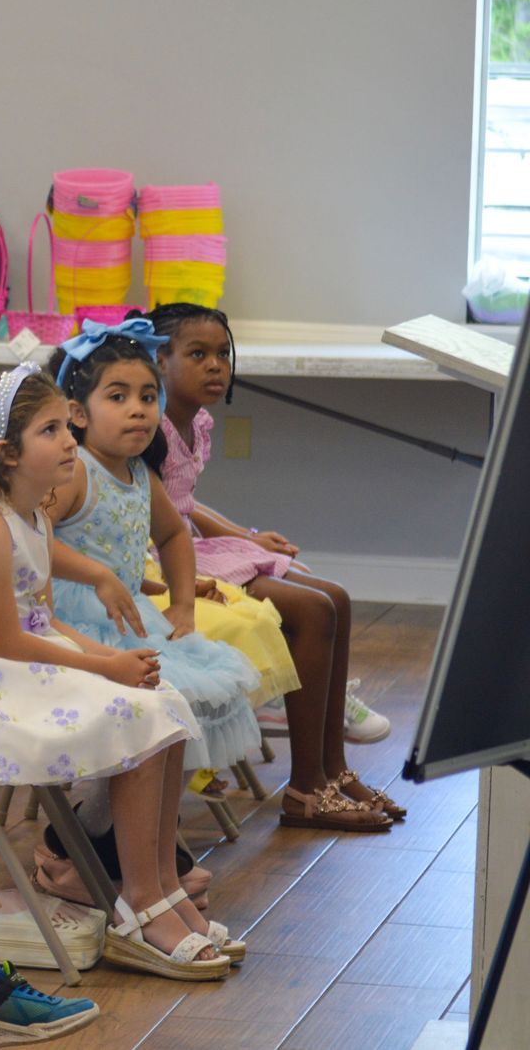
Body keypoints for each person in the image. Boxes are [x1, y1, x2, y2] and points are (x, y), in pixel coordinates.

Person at [0, 363, 237, 979]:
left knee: (166, 703)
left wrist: (108, 661)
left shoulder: (35, 517)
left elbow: (43, 620)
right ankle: (140, 902)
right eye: (51, 431)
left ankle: (156, 885)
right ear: (6, 453)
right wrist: (104, 670)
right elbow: (7, 639)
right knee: (138, 712)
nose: (71, 440)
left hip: (20, 649)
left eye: (65, 427)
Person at [148, 305, 401, 822]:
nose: (216, 366)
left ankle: (335, 769)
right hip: (163, 562)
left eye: (223, 354)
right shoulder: (146, 429)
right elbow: (160, 523)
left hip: (189, 543)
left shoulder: (195, 421)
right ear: (159, 359)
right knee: (313, 611)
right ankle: (305, 789)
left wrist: (246, 535)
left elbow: (184, 505)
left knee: (337, 598)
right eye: (198, 354)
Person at [42, 324, 267, 780]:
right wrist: (96, 574)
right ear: (77, 414)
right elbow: (29, 540)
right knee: (155, 701)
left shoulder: (141, 475)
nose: (138, 411)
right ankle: (94, 832)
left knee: (185, 698)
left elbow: (173, 536)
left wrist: (183, 606)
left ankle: (138, 830)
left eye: (148, 397)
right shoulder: (74, 473)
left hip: (132, 615)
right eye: (118, 397)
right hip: (75, 619)